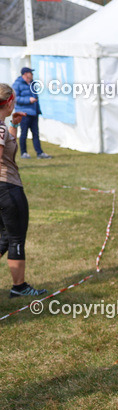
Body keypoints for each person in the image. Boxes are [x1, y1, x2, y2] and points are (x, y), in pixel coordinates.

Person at [0, 84, 47, 297]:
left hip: (5, 187)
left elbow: (8, 148)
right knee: (16, 237)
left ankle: (19, 286)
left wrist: (14, 125)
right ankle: (19, 287)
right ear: (9, 102)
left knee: (4, 238)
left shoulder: (3, 126)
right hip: (7, 188)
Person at [12, 68, 52, 160]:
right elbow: (15, 98)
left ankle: (39, 153)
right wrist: (28, 100)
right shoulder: (17, 84)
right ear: (26, 74)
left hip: (34, 113)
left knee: (36, 134)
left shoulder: (33, 83)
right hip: (24, 113)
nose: (32, 75)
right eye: (31, 73)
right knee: (24, 134)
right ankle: (24, 153)